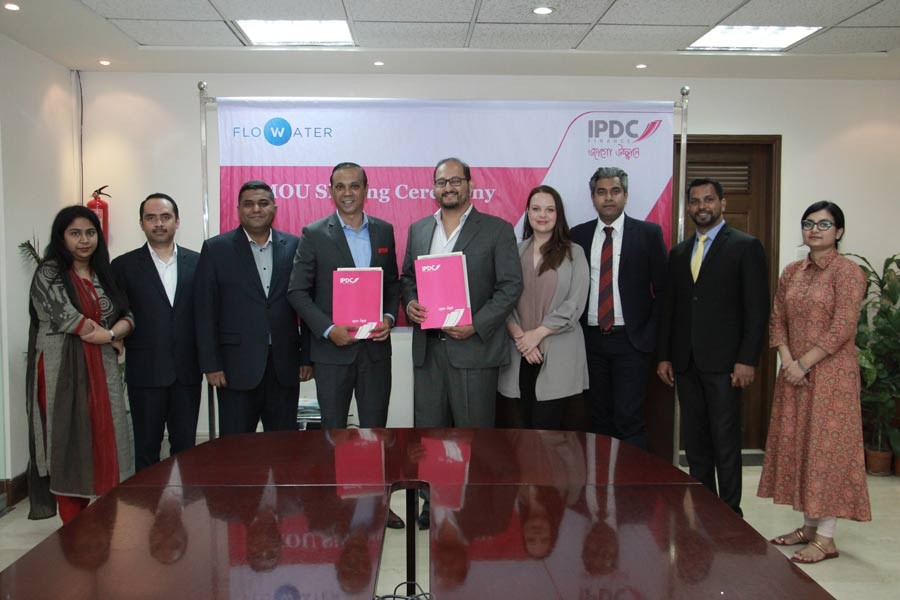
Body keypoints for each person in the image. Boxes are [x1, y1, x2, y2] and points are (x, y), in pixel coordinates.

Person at [758, 201, 871, 563]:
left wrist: (804, 363)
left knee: (827, 451)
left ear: (839, 232)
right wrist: (788, 360)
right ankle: (808, 527)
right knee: (802, 447)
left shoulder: (848, 272)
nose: (815, 230)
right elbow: (777, 319)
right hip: (794, 375)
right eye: (809, 223)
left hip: (831, 378)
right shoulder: (792, 271)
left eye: (824, 224)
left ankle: (826, 538)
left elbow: (843, 327)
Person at [657, 178, 769, 516]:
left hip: (726, 364)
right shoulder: (679, 253)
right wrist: (664, 356)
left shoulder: (746, 246)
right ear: (688, 207)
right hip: (686, 363)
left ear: (722, 203)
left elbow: (757, 309)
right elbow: (670, 309)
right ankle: (705, 512)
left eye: (708, 200)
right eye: (695, 201)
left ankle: (730, 513)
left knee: (725, 441)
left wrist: (747, 360)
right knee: (696, 444)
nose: (701, 206)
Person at [26, 205, 135, 523]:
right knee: (68, 443)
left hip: (102, 372)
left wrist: (113, 332)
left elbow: (128, 315)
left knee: (106, 439)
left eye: (90, 233)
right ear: (61, 237)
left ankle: (102, 528)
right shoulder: (49, 273)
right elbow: (73, 321)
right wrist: (110, 334)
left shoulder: (103, 273)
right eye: (75, 233)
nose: (84, 240)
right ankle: (73, 531)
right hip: (61, 372)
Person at [401, 157, 522, 428]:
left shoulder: (497, 230)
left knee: (473, 440)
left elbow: (510, 286)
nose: (448, 188)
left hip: (475, 351)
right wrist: (410, 303)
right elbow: (408, 278)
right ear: (434, 189)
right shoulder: (419, 230)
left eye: (455, 181)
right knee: (429, 439)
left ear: (470, 185)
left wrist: (476, 324)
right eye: (441, 182)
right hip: (428, 353)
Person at [195, 180, 312, 435]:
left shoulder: (295, 246)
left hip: (284, 366)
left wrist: (306, 357)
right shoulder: (216, 249)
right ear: (239, 210)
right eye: (248, 204)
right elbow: (205, 311)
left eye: (263, 203)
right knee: (236, 449)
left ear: (274, 208)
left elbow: (306, 305)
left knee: (283, 446)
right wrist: (211, 364)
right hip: (234, 368)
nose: (256, 209)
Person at [288, 162, 399, 429]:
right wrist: (328, 330)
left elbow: (393, 284)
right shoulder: (314, 234)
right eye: (340, 187)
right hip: (332, 354)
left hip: (375, 353)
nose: (347, 193)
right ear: (331, 191)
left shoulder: (384, 231)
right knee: (333, 434)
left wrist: (389, 317)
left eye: (354, 186)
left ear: (366, 190)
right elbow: (297, 291)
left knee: (376, 432)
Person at [571, 167, 667, 448]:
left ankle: (630, 478)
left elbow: (663, 290)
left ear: (625, 195)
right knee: (597, 419)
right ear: (593, 197)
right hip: (590, 341)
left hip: (632, 342)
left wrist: (649, 334)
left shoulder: (648, 233)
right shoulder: (578, 235)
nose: (608, 198)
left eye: (615, 191)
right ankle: (599, 476)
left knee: (630, 421)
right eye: (601, 192)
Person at [111, 193, 201, 471]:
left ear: (177, 221)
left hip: (187, 373)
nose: (158, 223)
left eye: (165, 217)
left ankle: (183, 500)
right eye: (151, 218)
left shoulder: (199, 262)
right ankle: (147, 501)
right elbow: (117, 314)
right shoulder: (123, 266)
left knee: (186, 450)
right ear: (141, 223)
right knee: (146, 449)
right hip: (145, 373)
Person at [498, 185, 589, 429]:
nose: (542, 215)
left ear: (558, 214)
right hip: (518, 353)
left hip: (559, 352)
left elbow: (575, 303)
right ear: (527, 212)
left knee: (552, 435)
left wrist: (537, 335)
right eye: (536, 209)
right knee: (519, 434)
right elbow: (503, 299)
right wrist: (522, 339)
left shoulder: (575, 253)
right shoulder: (514, 252)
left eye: (549, 209)